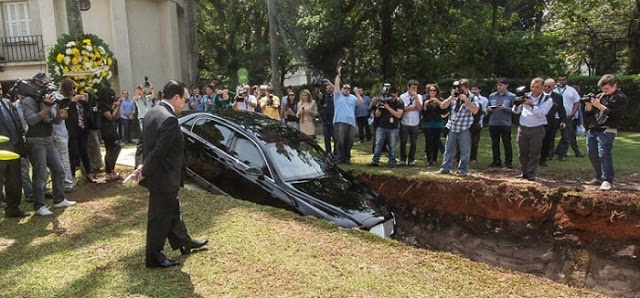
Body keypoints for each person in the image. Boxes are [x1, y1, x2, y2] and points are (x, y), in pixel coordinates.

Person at [136, 80, 208, 268]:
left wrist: (141, 165)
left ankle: (184, 241)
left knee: (172, 210)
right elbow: (159, 151)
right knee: (159, 217)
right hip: (164, 177)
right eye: (185, 99)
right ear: (176, 97)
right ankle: (153, 257)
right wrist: (144, 170)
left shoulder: (152, 111)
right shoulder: (169, 119)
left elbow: (141, 144)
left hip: (160, 176)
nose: (186, 103)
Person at [22, 73, 76, 216]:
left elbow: (57, 120)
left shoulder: (48, 98)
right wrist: (46, 106)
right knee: (40, 175)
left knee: (59, 170)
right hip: (35, 140)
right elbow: (32, 120)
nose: (49, 86)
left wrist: (59, 106)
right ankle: (39, 205)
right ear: (37, 83)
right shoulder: (28, 101)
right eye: (46, 83)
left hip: (49, 138)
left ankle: (59, 199)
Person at [583, 74, 627, 191]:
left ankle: (607, 179)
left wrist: (599, 105)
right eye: (603, 89)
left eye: (607, 89)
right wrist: (588, 105)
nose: (604, 91)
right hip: (594, 127)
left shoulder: (620, 98)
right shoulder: (600, 96)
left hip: (608, 128)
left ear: (614, 86)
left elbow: (615, 115)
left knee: (604, 154)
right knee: (591, 153)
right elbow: (589, 114)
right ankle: (599, 176)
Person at [512, 78, 553, 181]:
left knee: (534, 152)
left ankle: (531, 172)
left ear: (543, 87)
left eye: (537, 87)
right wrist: (517, 105)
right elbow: (516, 111)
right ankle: (523, 172)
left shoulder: (547, 99)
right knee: (522, 152)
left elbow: (541, 113)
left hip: (537, 128)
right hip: (523, 128)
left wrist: (531, 104)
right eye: (532, 87)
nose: (534, 89)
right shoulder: (525, 96)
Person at [437, 79, 479, 176]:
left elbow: (475, 110)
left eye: (461, 89)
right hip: (452, 126)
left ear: (467, 88)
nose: (459, 90)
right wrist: (451, 97)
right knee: (448, 149)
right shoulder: (454, 97)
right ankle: (445, 168)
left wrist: (466, 100)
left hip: (465, 127)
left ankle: (463, 170)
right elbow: (442, 106)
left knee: (465, 150)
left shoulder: (472, 98)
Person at [0, 85, 28, 217]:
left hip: (14, 148)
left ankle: (13, 209)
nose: (0, 91)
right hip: (1, 150)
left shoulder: (6, 102)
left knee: (15, 181)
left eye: (0, 88)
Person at [62, 79, 96, 184]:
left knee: (84, 152)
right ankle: (72, 176)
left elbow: (86, 112)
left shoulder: (79, 100)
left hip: (82, 128)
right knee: (73, 153)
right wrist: (72, 102)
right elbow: (66, 115)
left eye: (74, 88)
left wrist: (86, 101)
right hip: (72, 130)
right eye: (71, 89)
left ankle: (89, 173)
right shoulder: (65, 101)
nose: (73, 91)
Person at [332, 68, 364, 164]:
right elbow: (336, 84)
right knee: (340, 141)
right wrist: (339, 74)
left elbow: (361, 102)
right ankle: (339, 157)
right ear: (342, 89)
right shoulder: (337, 95)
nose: (346, 90)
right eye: (345, 88)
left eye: (348, 89)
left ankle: (347, 158)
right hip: (340, 121)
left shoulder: (353, 97)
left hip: (351, 122)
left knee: (349, 142)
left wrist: (357, 92)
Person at [370, 86, 404, 167]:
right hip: (382, 126)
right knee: (378, 144)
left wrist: (388, 108)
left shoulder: (399, 102)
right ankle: (375, 160)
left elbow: (398, 115)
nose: (391, 98)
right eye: (390, 96)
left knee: (392, 145)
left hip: (393, 127)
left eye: (393, 96)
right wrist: (379, 106)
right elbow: (377, 115)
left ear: (397, 94)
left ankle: (392, 161)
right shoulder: (384, 101)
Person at [487, 78, 515, 168]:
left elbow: (515, 110)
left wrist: (505, 108)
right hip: (493, 122)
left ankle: (508, 161)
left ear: (506, 85)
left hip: (505, 123)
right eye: (498, 85)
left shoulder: (511, 96)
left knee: (506, 142)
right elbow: (487, 107)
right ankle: (496, 160)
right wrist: (489, 109)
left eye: (501, 85)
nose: (499, 87)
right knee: (495, 142)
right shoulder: (492, 96)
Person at [554, 75, 584, 159]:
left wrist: (573, 113)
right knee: (551, 136)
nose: (561, 81)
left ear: (566, 80)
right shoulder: (553, 90)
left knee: (566, 136)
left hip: (567, 117)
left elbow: (577, 103)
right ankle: (549, 154)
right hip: (555, 116)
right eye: (559, 80)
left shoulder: (572, 90)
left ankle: (562, 154)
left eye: (563, 80)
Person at [540, 78, 567, 167]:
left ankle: (543, 158)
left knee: (547, 140)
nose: (547, 88)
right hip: (537, 120)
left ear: (553, 87)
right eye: (545, 86)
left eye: (549, 86)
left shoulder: (557, 97)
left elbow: (561, 110)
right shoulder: (538, 95)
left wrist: (563, 120)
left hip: (550, 121)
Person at [98, 88, 123, 181]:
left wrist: (118, 107)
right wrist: (116, 107)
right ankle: (109, 171)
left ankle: (112, 169)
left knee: (116, 147)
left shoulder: (109, 105)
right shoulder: (103, 106)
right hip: (106, 130)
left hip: (112, 129)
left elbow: (117, 116)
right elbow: (110, 117)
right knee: (110, 150)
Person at [399, 80, 423, 166]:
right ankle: (402, 159)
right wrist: (414, 108)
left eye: (416, 88)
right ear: (408, 87)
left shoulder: (419, 96)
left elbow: (419, 107)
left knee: (413, 142)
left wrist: (415, 97)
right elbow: (403, 108)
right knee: (403, 142)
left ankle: (411, 159)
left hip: (415, 122)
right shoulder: (403, 96)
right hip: (404, 122)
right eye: (413, 88)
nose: (414, 89)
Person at [421, 84, 445, 166]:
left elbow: (444, 109)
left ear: (437, 91)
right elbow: (422, 112)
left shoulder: (440, 100)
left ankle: (434, 159)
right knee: (428, 141)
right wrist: (425, 104)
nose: (432, 92)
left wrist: (437, 102)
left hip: (437, 123)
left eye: (434, 90)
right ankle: (428, 159)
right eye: (431, 90)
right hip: (427, 123)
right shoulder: (424, 99)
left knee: (436, 141)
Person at [468, 83, 488, 164]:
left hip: (477, 123)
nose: (473, 91)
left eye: (475, 89)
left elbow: (485, 111)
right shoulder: (467, 98)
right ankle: (458, 157)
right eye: (472, 89)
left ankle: (473, 158)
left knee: (474, 141)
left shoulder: (484, 100)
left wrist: (479, 109)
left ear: (479, 90)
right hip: (467, 122)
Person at [316, 80, 335, 154]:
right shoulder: (325, 97)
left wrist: (330, 83)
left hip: (334, 120)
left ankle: (335, 153)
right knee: (326, 138)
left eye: (330, 88)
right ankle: (328, 153)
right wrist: (317, 87)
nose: (328, 89)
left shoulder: (336, 96)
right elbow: (318, 94)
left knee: (335, 138)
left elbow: (336, 89)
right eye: (327, 88)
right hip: (326, 121)